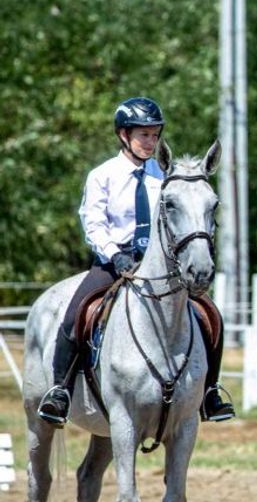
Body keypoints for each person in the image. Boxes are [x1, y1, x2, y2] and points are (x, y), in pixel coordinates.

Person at [37, 97, 234, 425]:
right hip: (114, 262)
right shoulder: (103, 175)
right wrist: (116, 254)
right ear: (123, 135)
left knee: (210, 315)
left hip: (160, 265)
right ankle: (60, 389)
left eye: (155, 135)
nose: (150, 142)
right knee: (77, 313)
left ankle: (210, 392)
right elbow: (94, 222)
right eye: (144, 135)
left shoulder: (165, 177)